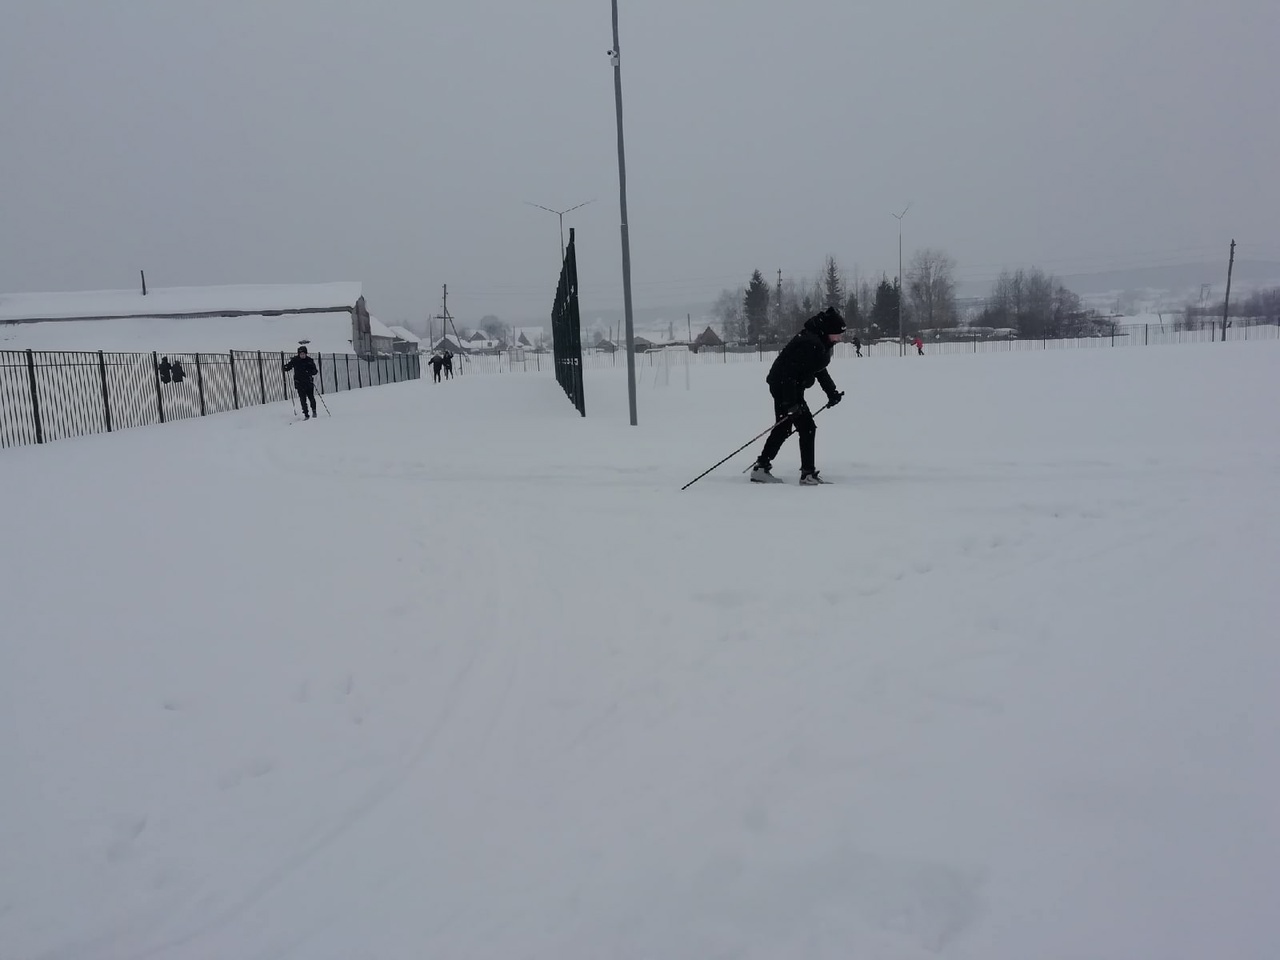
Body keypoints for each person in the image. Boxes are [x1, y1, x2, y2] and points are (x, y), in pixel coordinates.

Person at [750, 307, 845, 485]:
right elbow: (789, 374)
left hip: (789, 387)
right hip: (784, 387)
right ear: (827, 331)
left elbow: (819, 369)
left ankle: (761, 467)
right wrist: (791, 404)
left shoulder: (819, 341)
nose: (839, 339)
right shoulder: (810, 343)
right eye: (837, 334)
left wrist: (831, 393)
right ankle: (807, 474)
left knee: (785, 426)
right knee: (807, 427)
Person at [283, 345, 319, 419]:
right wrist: (285, 367)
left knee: (311, 397)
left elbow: (315, 371)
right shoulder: (295, 360)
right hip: (299, 383)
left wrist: (310, 372)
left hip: (308, 382)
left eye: (303, 354)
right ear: (298, 354)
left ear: (306, 353)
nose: (302, 355)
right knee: (302, 399)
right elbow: (289, 367)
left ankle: (314, 411)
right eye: (301, 354)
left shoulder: (309, 360)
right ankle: (306, 414)